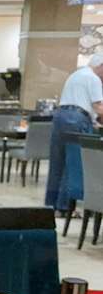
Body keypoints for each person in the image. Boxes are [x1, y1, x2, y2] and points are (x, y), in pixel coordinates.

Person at [45, 54, 103, 213]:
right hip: (76, 119)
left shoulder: (76, 74)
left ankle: (51, 204)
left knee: (57, 162)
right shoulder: (93, 78)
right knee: (73, 163)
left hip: (60, 117)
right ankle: (65, 207)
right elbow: (99, 107)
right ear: (101, 66)